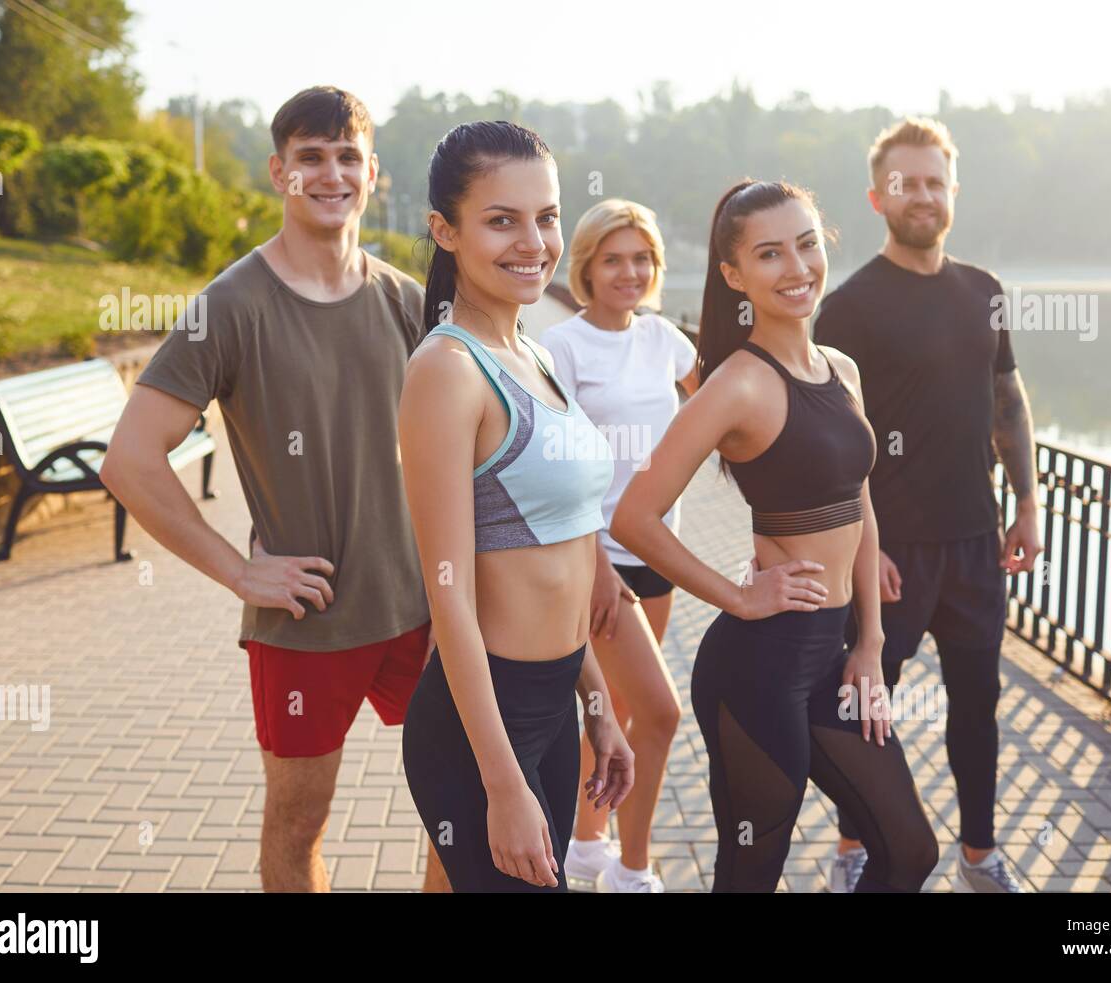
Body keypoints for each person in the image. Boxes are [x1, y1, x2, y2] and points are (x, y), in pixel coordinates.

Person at [101, 86, 451, 892]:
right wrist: (238, 570)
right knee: (298, 826)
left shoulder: (411, 301)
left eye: (347, 157)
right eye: (310, 158)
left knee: (458, 805)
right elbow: (130, 460)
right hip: (305, 622)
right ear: (279, 172)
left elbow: (468, 452)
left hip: (423, 611)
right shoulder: (227, 307)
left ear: (373, 176)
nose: (330, 174)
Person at [611, 179, 939, 893]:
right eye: (769, 254)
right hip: (757, 668)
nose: (797, 268)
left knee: (910, 849)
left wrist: (872, 646)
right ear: (735, 275)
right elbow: (633, 516)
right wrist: (738, 595)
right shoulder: (736, 384)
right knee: (753, 870)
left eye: (807, 243)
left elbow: (860, 503)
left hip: (837, 655)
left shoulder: (841, 370)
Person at [398, 120, 635, 892]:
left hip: (552, 710)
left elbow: (564, 560)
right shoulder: (449, 370)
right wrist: (503, 785)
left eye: (546, 216)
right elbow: (450, 595)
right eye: (501, 220)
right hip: (480, 732)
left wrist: (598, 702)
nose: (533, 241)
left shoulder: (530, 350)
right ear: (445, 231)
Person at [814, 117, 1042, 893]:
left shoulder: (984, 292)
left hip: (977, 543)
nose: (923, 194)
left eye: (935, 180)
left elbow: (1006, 399)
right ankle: (853, 847)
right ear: (879, 197)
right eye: (906, 182)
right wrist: (856, 546)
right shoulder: (848, 307)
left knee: (977, 705)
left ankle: (980, 855)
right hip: (891, 550)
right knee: (865, 706)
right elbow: (831, 439)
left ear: (954, 192)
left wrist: (1028, 502)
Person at [539, 198, 699, 893]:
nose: (629, 271)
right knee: (660, 712)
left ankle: (583, 842)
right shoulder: (563, 347)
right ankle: (633, 872)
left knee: (620, 711)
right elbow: (554, 464)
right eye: (614, 259)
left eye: (642, 258)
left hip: (657, 553)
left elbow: (723, 408)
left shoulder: (666, 339)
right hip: (597, 561)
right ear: (587, 267)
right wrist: (595, 562)